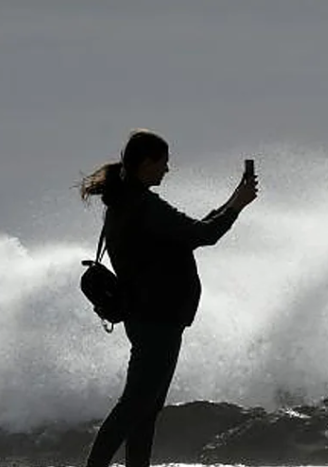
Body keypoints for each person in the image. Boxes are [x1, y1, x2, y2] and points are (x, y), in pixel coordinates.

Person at [78, 129, 258, 467]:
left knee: (145, 409)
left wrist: (233, 200)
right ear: (147, 163)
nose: (167, 169)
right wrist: (237, 206)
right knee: (136, 404)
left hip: (150, 316)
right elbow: (204, 235)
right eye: (164, 162)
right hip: (155, 318)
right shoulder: (143, 204)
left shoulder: (127, 201)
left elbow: (191, 231)